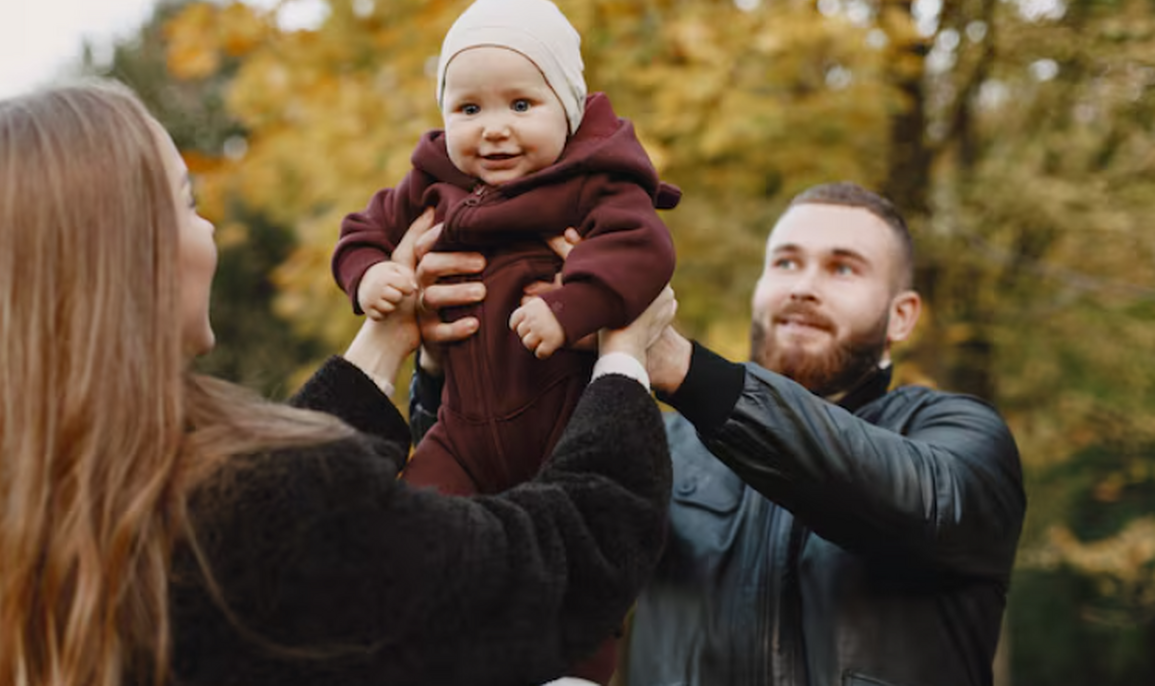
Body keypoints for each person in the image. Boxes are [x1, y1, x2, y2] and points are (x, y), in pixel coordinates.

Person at [0, 81, 678, 686]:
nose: (211, 231)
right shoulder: (257, 519)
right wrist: (622, 358)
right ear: (132, 260)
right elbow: (554, 568)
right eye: (187, 205)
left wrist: (388, 335)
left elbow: (268, 509)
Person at [411, 182, 1027, 686]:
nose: (803, 285)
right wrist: (449, 366)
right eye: (785, 262)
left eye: (843, 268)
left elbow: (917, 500)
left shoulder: (960, 435)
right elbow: (500, 528)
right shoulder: (663, 447)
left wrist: (676, 365)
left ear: (902, 316)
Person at [332, 0, 679, 498]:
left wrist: (569, 306)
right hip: (459, 436)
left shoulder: (591, 182)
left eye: (521, 105)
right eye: (469, 109)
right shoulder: (434, 182)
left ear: (567, 109)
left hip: (563, 423)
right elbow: (364, 229)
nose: (494, 129)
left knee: (573, 537)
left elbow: (643, 248)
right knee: (410, 524)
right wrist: (368, 275)